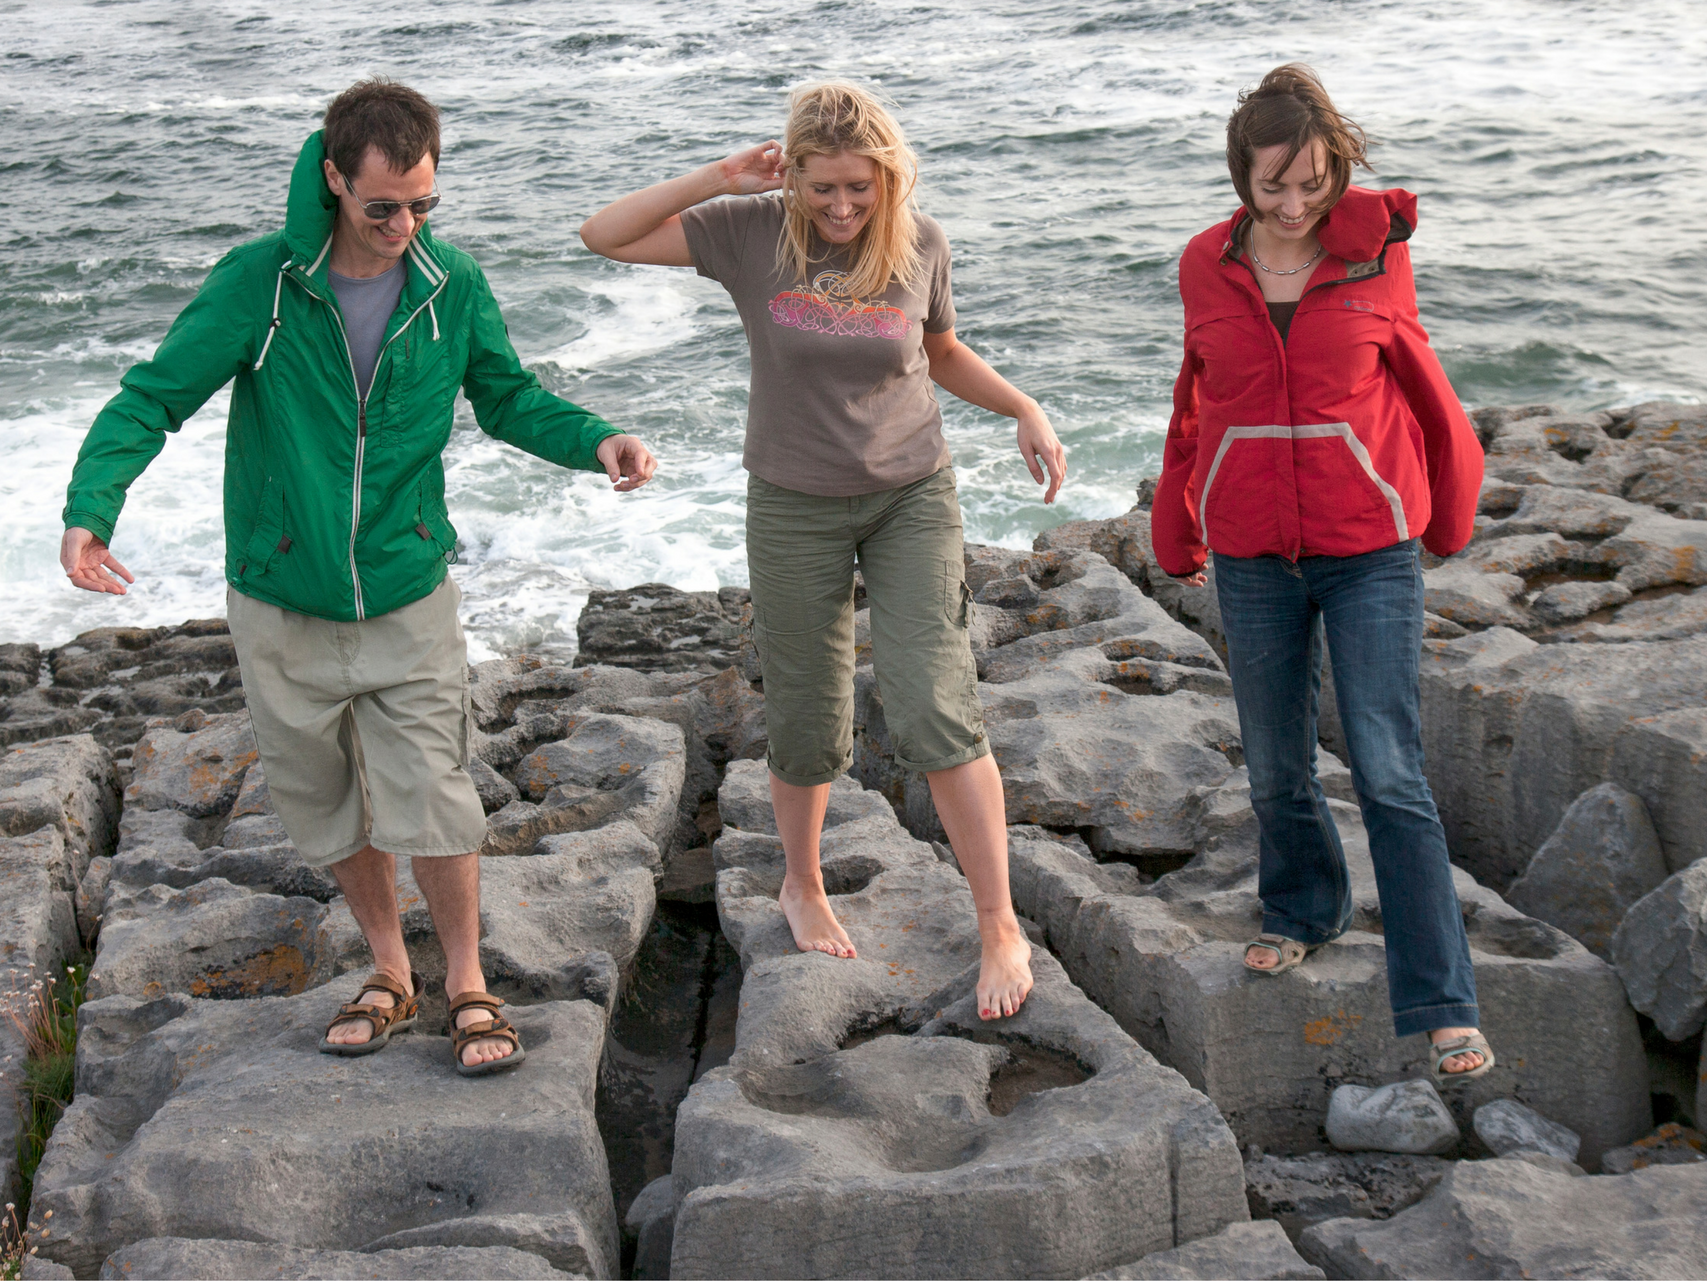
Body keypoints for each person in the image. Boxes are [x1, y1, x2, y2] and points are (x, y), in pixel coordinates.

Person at [60, 78, 656, 1075]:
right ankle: (389, 969)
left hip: (406, 586)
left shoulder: (448, 283)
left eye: (424, 203)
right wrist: (91, 512)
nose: (404, 225)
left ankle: (468, 982)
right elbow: (152, 398)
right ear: (334, 176)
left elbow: (507, 397)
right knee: (324, 796)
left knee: (434, 791)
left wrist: (599, 442)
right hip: (280, 597)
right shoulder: (263, 285)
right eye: (384, 206)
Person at [580, 81, 1065, 1020]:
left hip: (911, 495)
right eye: (822, 189)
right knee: (808, 713)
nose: (842, 208)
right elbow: (604, 232)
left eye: (861, 188)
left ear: (888, 177)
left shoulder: (918, 240)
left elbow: (942, 350)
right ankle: (801, 881)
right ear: (791, 174)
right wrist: (717, 176)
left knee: (936, 701)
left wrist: (1023, 407)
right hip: (793, 503)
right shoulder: (749, 230)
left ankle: (998, 918)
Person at [1151, 64, 1493, 1082]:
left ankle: (1442, 1000)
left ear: (1336, 170)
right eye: (1273, 188)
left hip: (1370, 551)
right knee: (1275, 765)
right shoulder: (1205, 265)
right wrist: (1182, 518)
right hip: (1254, 553)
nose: (1295, 206)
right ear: (1241, 182)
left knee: (1390, 771)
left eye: (1312, 183)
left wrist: (1449, 509)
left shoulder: (1377, 257)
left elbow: (1422, 380)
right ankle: (1304, 907)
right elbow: (1195, 396)